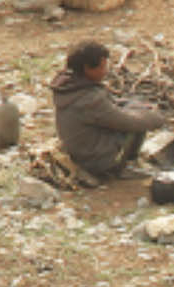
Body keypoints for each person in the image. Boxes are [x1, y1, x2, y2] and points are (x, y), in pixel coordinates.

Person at [50, 41, 165, 182]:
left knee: (135, 106)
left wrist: (136, 106)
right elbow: (128, 122)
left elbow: (113, 105)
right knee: (138, 124)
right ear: (87, 68)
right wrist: (156, 117)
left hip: (80, 151)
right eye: (102, 67)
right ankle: (120, 167)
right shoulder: (89, 99)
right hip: (93, 160)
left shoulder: (71, 86)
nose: (105, 71)